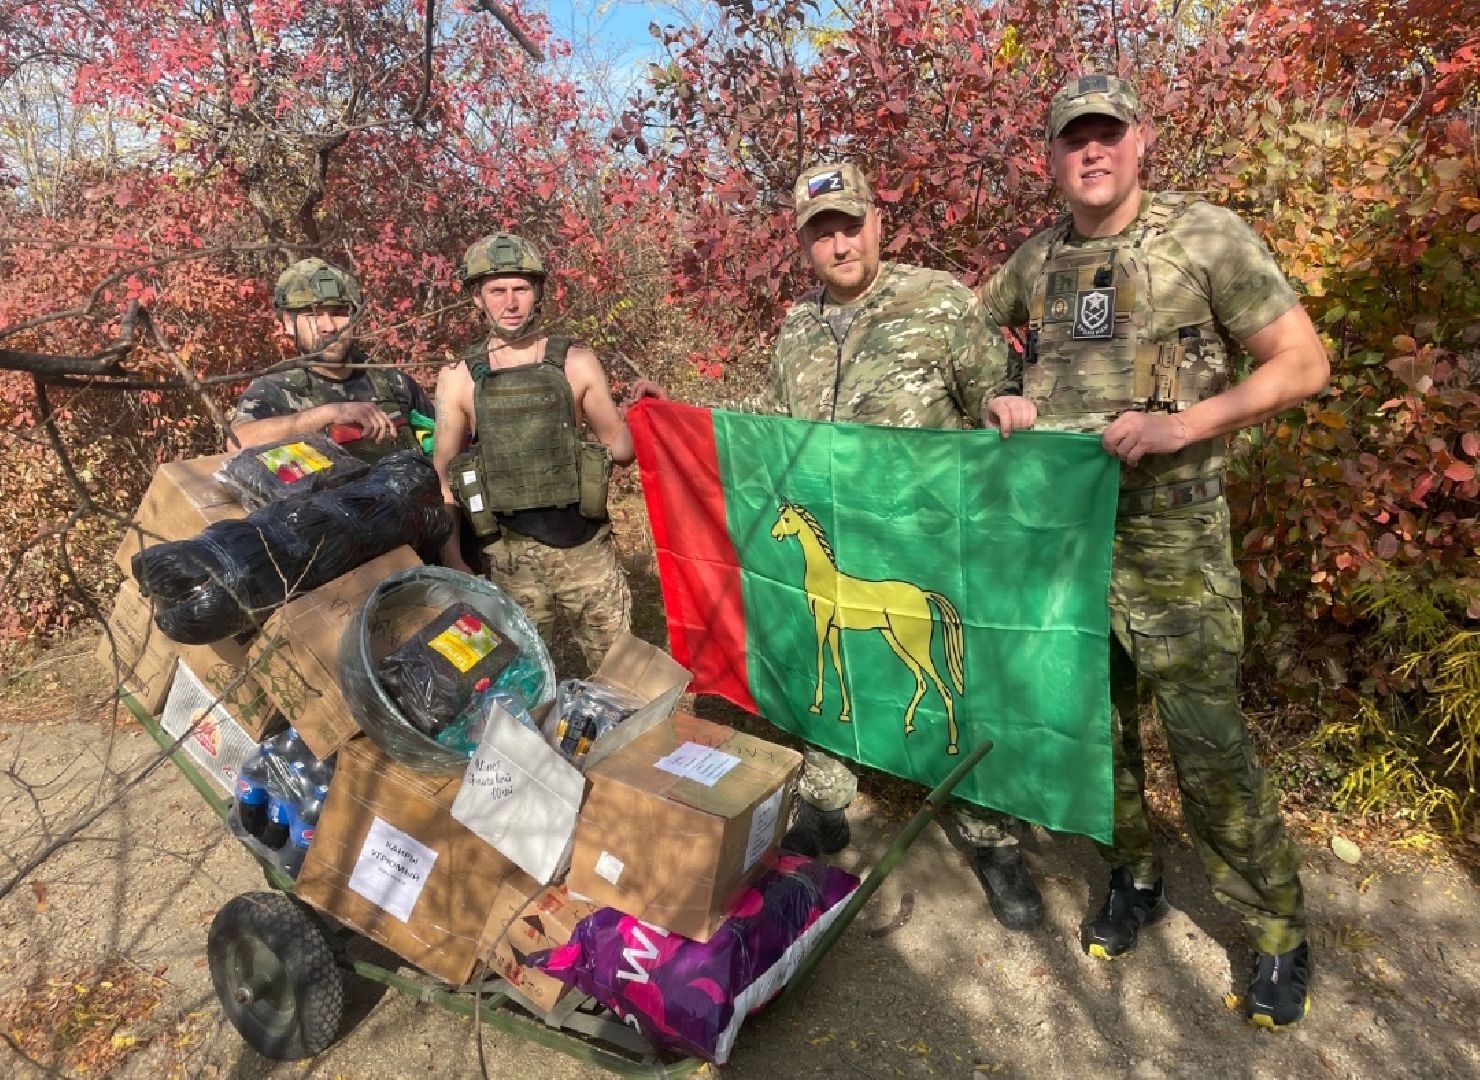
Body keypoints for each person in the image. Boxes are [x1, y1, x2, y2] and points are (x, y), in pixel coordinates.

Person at [978, 73, 1330, 1027]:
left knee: (1210, 748)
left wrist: (1187, 425)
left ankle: (1276, 931)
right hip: (1070, 544)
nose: (1091, 153)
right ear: (1049, 159)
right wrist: (1003, 397)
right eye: (1072, 140)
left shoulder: (1205, 236)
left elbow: (1304, 361)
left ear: (1140, 144)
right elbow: (981, 346)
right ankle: (1135, 876)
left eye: (1107, 136)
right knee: (1099, 738)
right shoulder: (1034, 261)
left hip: (1174, 541)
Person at [768, 162, 1044, 931]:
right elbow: (775, 438)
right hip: (838, 538)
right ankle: (826, 808)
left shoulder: (941, 302)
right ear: (803, 243)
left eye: (850, 224)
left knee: (964, 676)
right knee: (827, 660)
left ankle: (992, 837)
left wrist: (1006, 408)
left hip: (926, 537)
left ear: (877, 224)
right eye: (822, 231)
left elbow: (1001, 393)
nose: (839, 242)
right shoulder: (794, 329)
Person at [431, 232, 634, 672]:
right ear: (477, 299)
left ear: (538, 292)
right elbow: (444, 482)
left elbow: (620, 448)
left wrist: (643, 412)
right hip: (508, 556)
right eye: (496, 290)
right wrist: (453, 560)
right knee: (520, 677)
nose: (510, 302)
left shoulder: (577, 361)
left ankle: (630, 742)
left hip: (585, 550)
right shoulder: (458, 378)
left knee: (617, 671)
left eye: (520, 288)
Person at [232, 258, 431, 461]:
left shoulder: (394, 384)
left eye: (339, 313)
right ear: (289, 324)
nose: (329, 326)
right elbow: (238, 442)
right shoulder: (274, 390)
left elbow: (441, 445)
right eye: (312, 314)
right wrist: (330, 414)